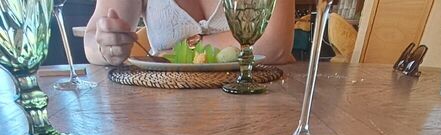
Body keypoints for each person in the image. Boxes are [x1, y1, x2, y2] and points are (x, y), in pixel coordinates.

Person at [84, 0, 296, 66]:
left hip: (262, 105)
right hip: (168, 116)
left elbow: (273, 44)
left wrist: (179, 52)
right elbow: (92, 38)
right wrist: (107, 47)